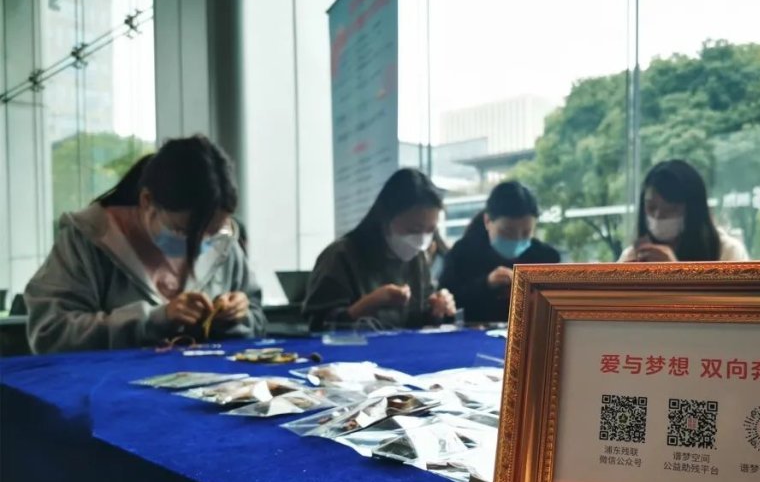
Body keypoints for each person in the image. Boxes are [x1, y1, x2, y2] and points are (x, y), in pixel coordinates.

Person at [25, 135, 265, 354]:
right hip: (108, 385)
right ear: (147, 200)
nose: (199, 246)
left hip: (211, 383)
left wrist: (239, 317)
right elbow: (50, 333)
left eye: (212, 234)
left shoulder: (225, 242)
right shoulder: (89, 240)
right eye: (184, 232)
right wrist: (153, 320)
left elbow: (258, 322)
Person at [302, 168, 456, 330]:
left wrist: (438, 309)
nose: (421, 240)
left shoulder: (418, 259)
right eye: (413, 230)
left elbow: (418, 322)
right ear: (385, 218)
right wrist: (370, 303)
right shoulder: (340, 256)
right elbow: (318, 327)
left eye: (430, 231)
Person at [439, 180, 560, 323]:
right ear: (487, 221)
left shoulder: (546, 257)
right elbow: (446, 303)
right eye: (507, 232)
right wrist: (486, 284)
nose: (517, 239)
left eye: (526, 233)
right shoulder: (463, 253)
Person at [618, 159, 749, 262]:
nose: (658, 216)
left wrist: (676, 273)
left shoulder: (728, 252)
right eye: (651, 207)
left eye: (670, 209)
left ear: (693, 211)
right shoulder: (632, 255)